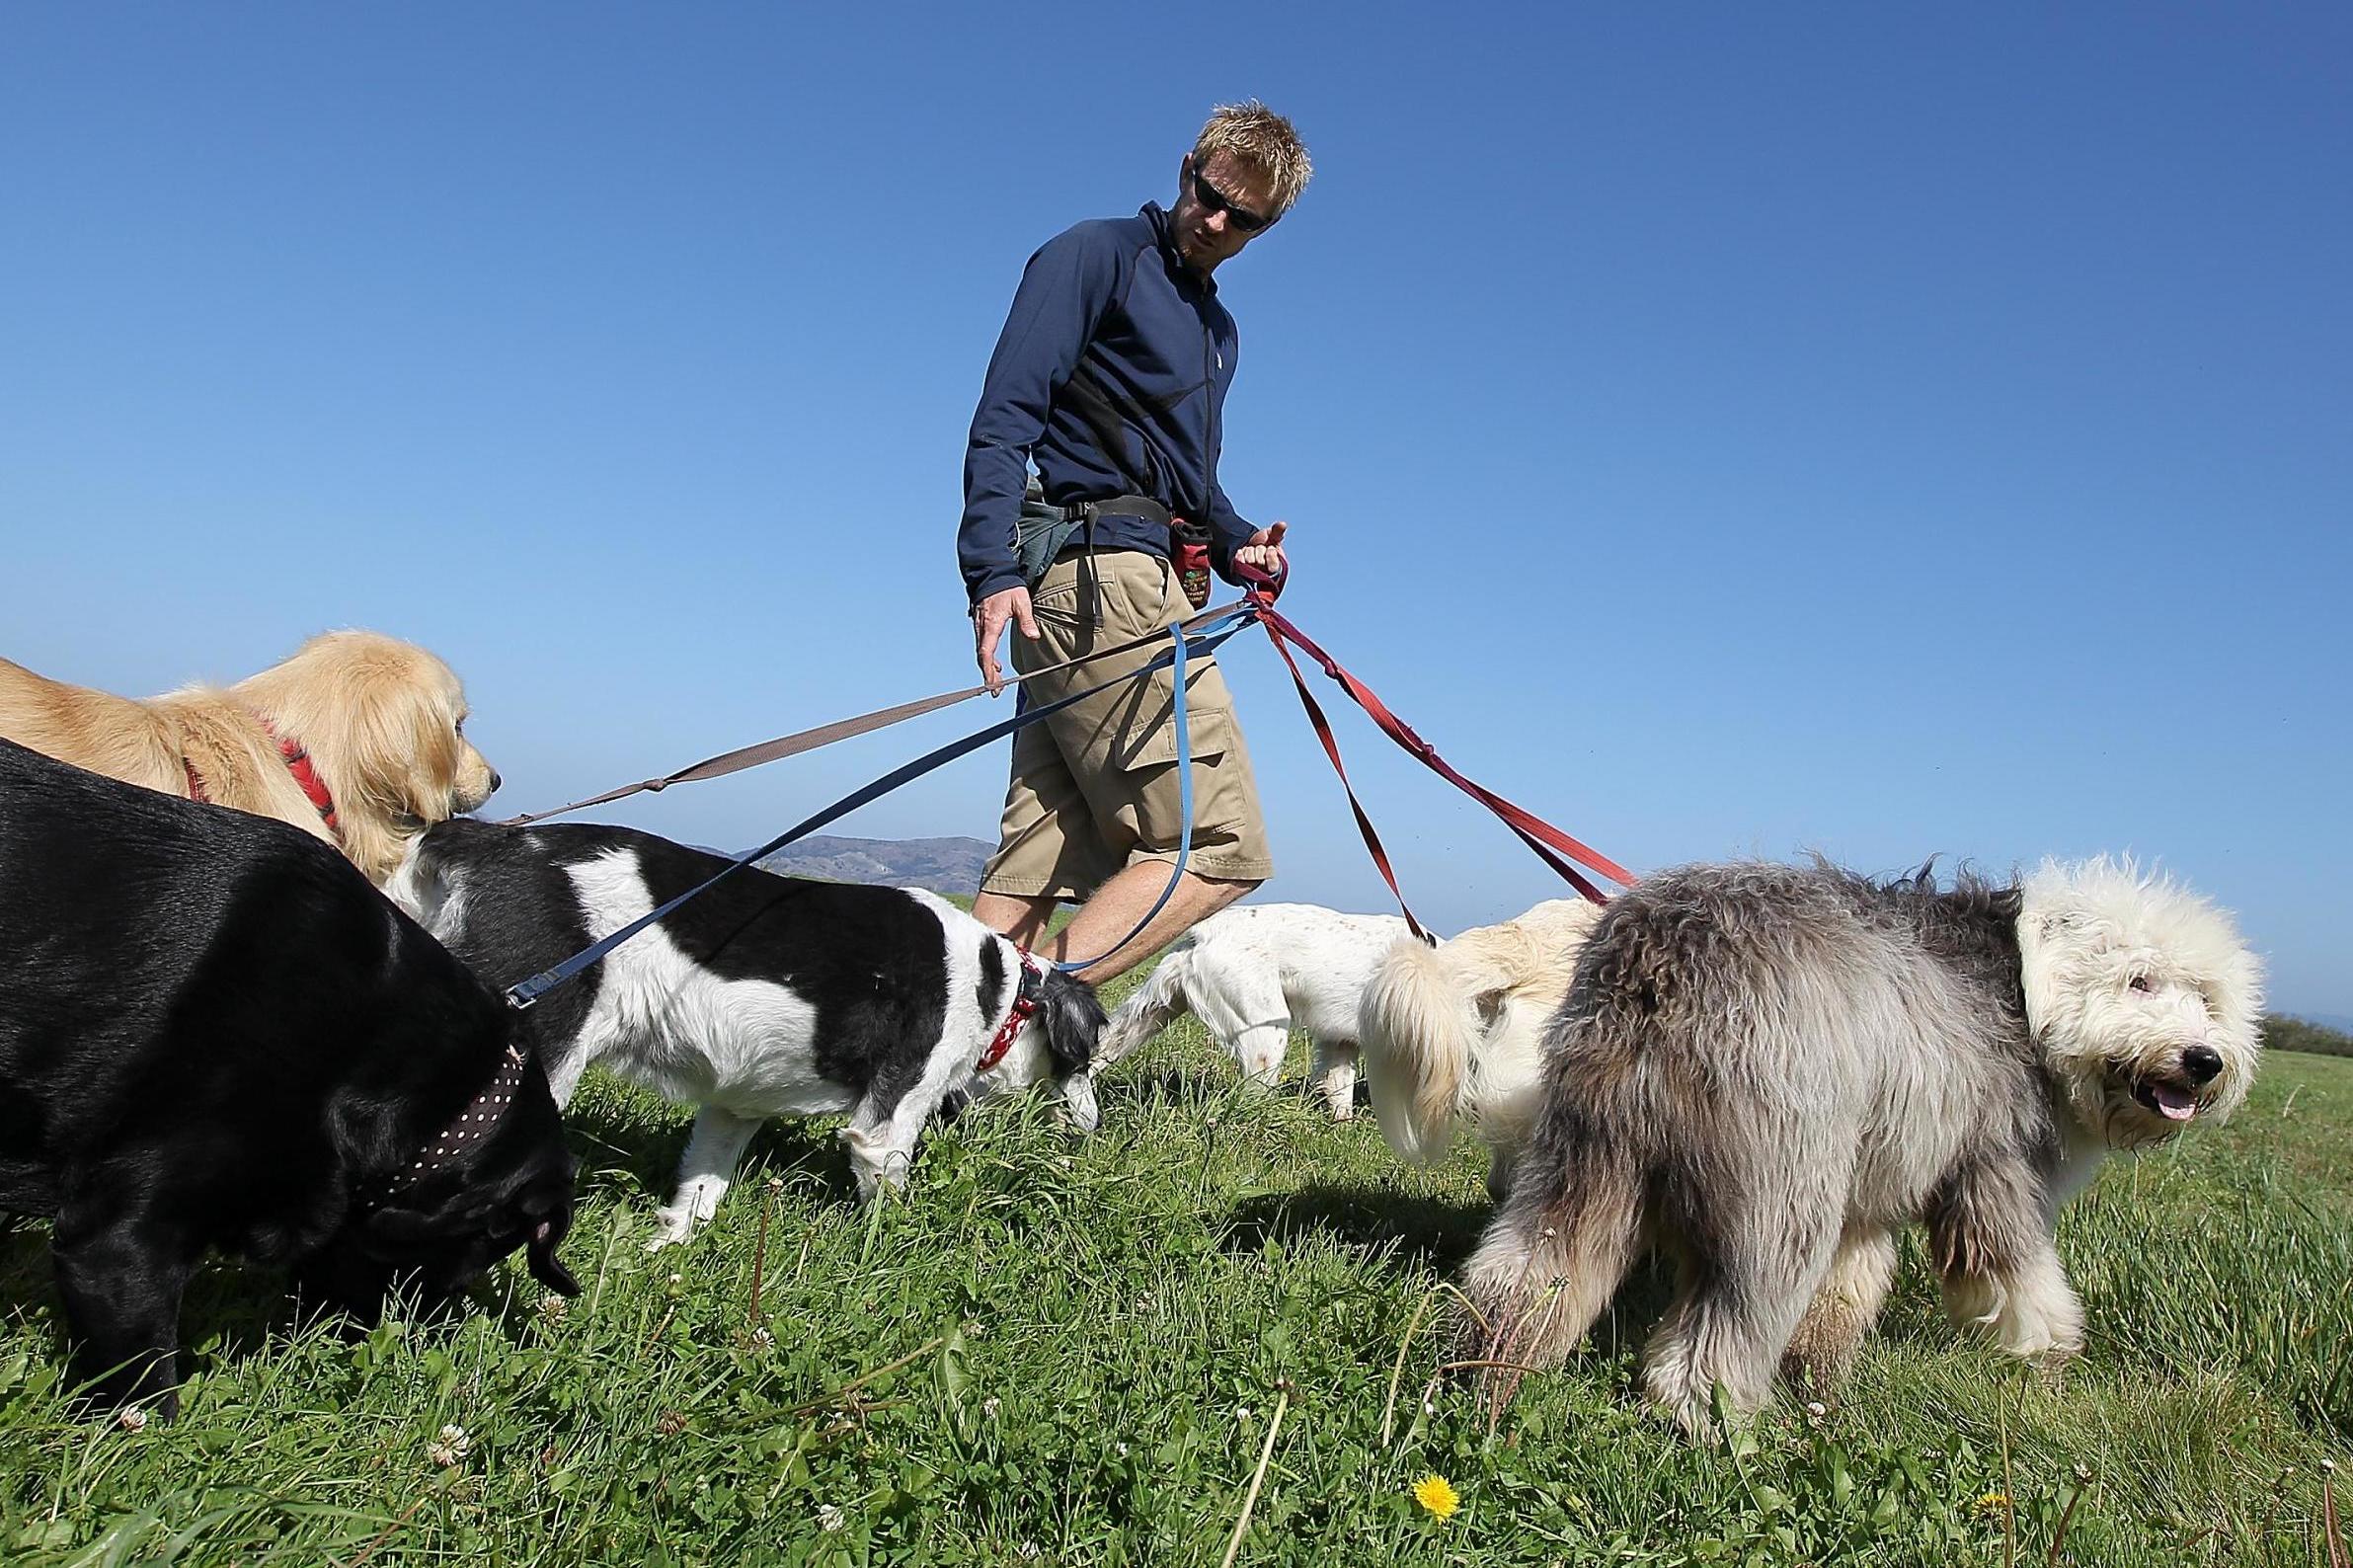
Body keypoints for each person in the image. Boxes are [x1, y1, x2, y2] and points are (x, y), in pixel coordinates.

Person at [958, 102, 1310, 982]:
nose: (1214, 219)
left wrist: (1237, 547)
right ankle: (1023, 1027)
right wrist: (989, 567)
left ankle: (927, 1067)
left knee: (1043, 856)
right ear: (1187, 164)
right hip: (1100, 585)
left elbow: (1191, 483)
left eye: (1243, 217)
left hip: (1126, 578)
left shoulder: (1218, 331)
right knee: (1219, 846)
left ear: (1266, 229)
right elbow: (1007, 412)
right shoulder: (1096, 253)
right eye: (1208, 191)